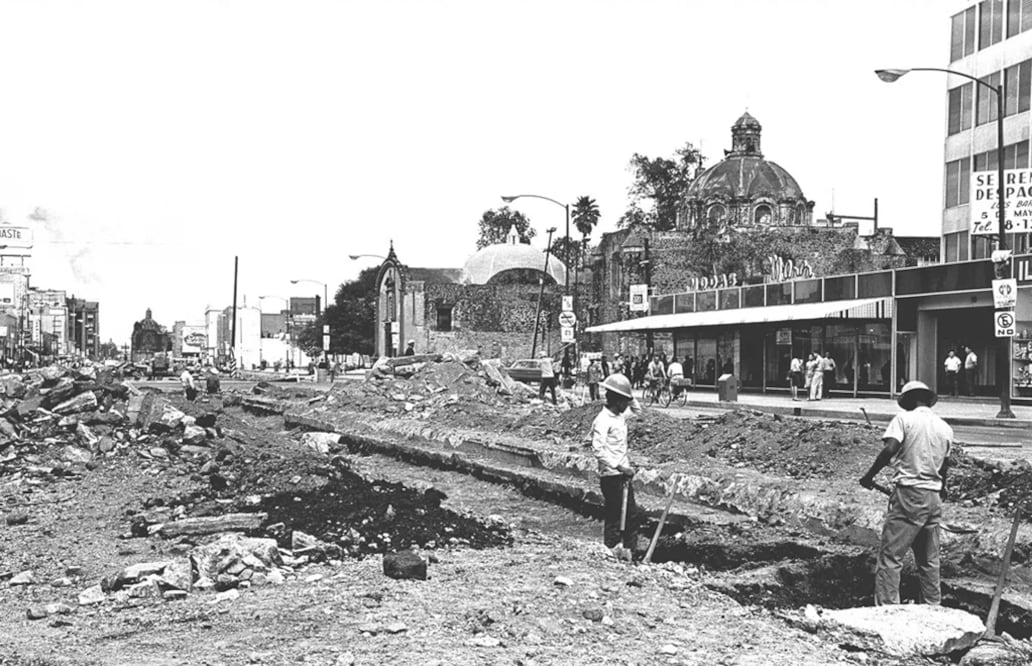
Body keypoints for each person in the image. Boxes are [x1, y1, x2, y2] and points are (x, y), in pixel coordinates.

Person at [860, 380, 952, 606]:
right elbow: (945, 466)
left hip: (909, 493)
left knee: (891, 555)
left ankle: (888, 608)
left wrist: (869, 476)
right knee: (929, 560)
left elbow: (890, 448)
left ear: (908, 401)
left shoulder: (903, 420)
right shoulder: (944, 427)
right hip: (933, 496)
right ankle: (933, 607)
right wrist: (942, 488)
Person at [590, 373, 643, 561]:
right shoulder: (603, 420)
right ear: (616, 400)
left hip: (624, 475)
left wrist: (627, 394)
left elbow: (638, 411)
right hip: (611, 476)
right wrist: (620, 467)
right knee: (620, 516)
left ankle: (626, 552)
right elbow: (598, 450)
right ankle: (615, 550)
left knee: (627, 515)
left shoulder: (621, 415)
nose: (627, 406)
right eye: (624, 401)